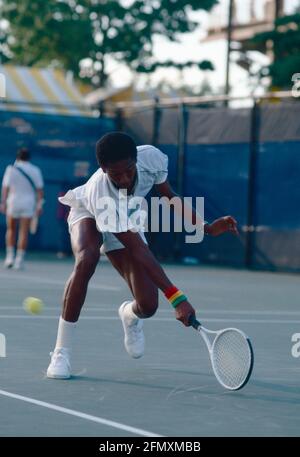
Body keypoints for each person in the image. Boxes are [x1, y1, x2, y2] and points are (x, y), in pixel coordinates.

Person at [46, 132, 238, 379]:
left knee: (148, 305)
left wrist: (206, 227)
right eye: (116, 174)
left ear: (136, 160)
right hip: (89, 212)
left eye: (129, 170)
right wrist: (177, 298)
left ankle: (129, 315)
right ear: (103, 169)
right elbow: (138, 249)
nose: (124, 178)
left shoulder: (152, 158)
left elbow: (169, 196)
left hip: (127, 217)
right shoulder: (99, 191)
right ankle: (61, 352)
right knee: (87, 259)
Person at [0, 147, 44, 270]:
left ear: (17, 157)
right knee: (24, 231)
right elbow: (40, 191)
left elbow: (5, 188)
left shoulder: (10, 169)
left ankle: (9, 258)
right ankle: (19, 260)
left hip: (13, 202)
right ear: (29, 157)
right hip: (28, 203)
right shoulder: (35, 170)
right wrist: (39, 205)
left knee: (11, 229)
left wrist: (3, 203)